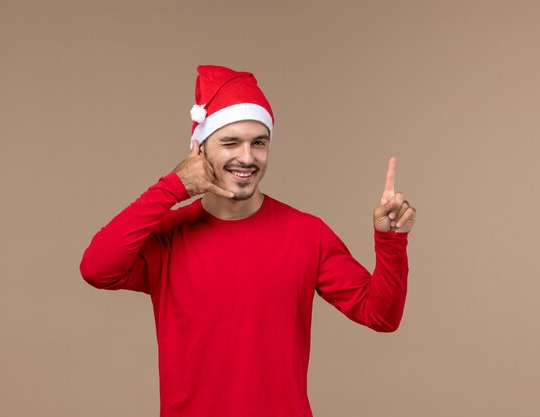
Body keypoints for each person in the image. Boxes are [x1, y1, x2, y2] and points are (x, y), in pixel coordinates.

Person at [79, 64, 416, 417]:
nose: (247, 157)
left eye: (259, 142)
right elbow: (96, 269)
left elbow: (381, 315)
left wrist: (391, 243)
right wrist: (173, 186)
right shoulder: (169, 238)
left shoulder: (306, 234)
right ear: (199, 149)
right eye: (230, 142)